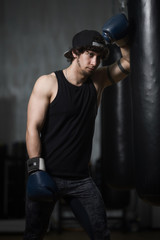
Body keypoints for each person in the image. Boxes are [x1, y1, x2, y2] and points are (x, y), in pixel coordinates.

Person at [24, 14, 130, 240]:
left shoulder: (98, 80)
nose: (95, 62)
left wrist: (120, 40)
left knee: (101, 234)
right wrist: (35, 171)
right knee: (33, 235)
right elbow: (32, 127)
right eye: (90, 55)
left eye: (99, 57)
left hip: (81, 180)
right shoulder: (48, 83)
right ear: (75, 53)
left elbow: (129, 63)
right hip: (47, 175)